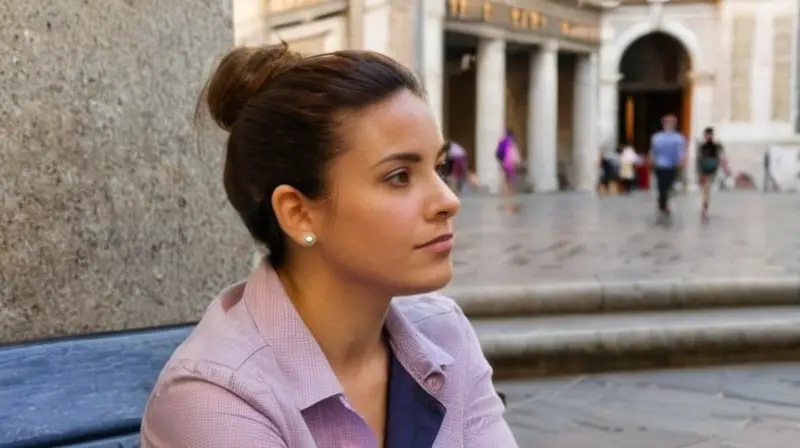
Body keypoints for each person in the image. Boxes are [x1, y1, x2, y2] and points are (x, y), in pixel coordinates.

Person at [140, 44, 516, 447]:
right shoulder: (214, 399)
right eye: (399, 177)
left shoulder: (444, 333)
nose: (448, 200)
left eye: (438, 168)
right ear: (298, 213)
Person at [649, 115, 686, 216]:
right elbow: (681, 153)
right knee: (668, 185)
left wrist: (651, 163)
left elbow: (653, 152)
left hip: (660, 165)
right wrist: (682, 164)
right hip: (670, 166)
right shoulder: (678, 138)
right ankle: (664, 203)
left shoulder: (656, 137)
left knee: (661, 185)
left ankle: (662, 202)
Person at [697, 127, 724, 218]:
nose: (708, 136)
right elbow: (699, 159)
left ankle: (705, 204)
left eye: (710, 134)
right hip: (704, 169)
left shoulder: (716, 146)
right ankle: (705, 204)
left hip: (712, 169)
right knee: (705, 188)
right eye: (707, 134)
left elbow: (721, 157)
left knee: (706, 187)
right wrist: (698, 171)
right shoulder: (702, 146)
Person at [495, 129, 522, 212]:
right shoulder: (511, 142)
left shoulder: (503, 141)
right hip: (510, 164)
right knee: (510, 180)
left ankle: (504, 195)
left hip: (504, 163)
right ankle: (509, 197)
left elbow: (499, 153)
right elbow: (514, 154)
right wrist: (519, 161)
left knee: (505, 180)